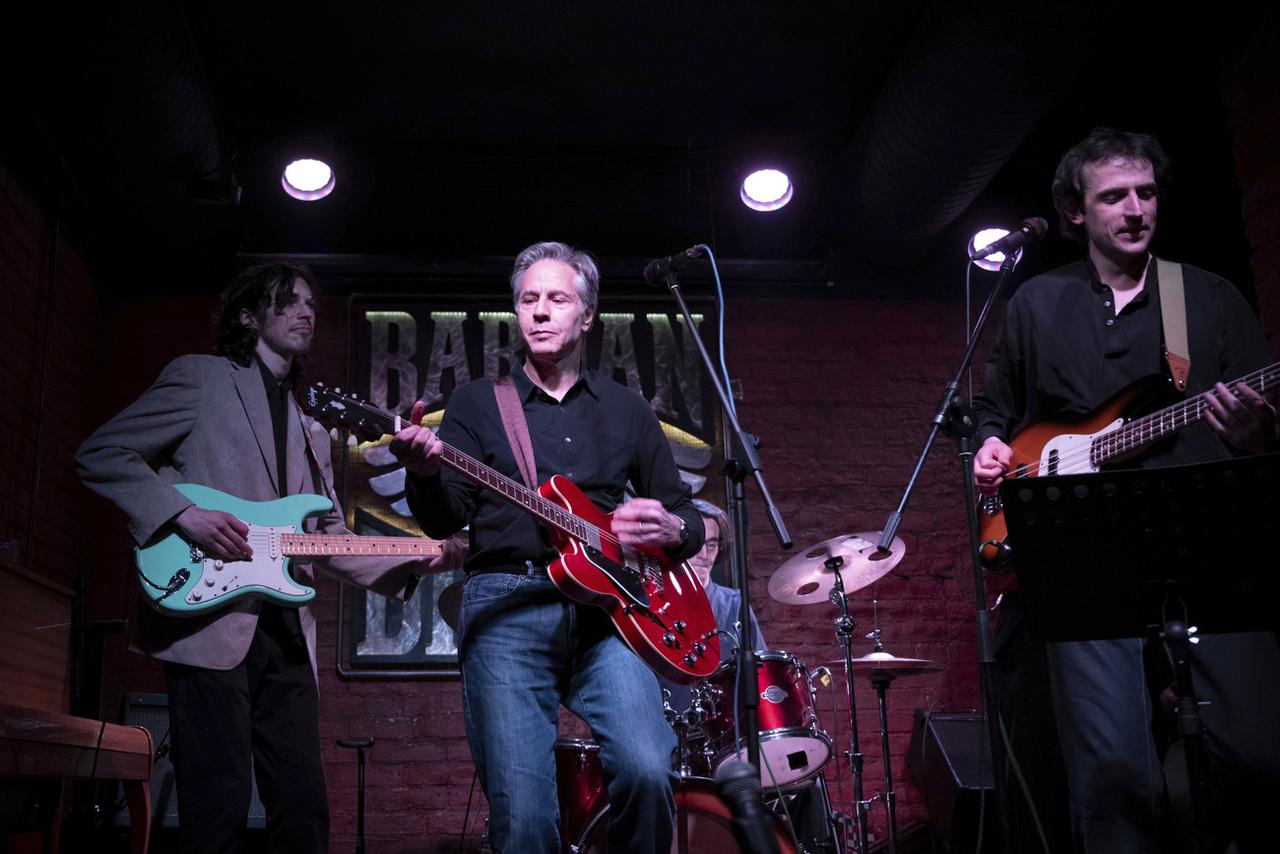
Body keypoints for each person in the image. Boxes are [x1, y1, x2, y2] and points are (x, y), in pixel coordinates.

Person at [973, 128, 1280, 853]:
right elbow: (996, 413)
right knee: (1113, 782)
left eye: (1145, 193)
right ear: (1077, 212)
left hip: (1206, 548)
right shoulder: (1036, 304)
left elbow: (1270, 433)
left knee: (1261, 755)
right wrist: (990, 448)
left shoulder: (1207, 298)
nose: (1136, 208)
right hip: (1085, 560)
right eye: (1114, 196)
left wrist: (1257, 434)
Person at [76, 263, 442, 854]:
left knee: (304, 811)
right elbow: (103, 452)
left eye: (311, 306)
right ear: (249, 316)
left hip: (287, 635)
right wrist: (180, 515)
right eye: (288, 301)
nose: (306, 313)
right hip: (210, 618)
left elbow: (327, 540)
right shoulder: (201, 379)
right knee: (215, 805)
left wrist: (421, 559)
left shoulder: (311, 430)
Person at [389, 241, 704, 853]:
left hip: (611, 616)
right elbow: (443, 519)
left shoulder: (626, 408)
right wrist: (424, 473)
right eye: (528, 300)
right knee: (527, 820)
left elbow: (684, 512)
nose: (538, 311)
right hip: (507, 605)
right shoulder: (479, 403)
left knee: (647, 771)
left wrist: (671, 528)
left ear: (587, 316)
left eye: (556, 299)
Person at [657, 498, 765, 713]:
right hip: (664, 728)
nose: (704, 555)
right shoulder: (653, 601)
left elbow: (762, 672)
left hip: (725, 734)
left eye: (712, 544)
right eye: (697, 544)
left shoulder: (736, 604)